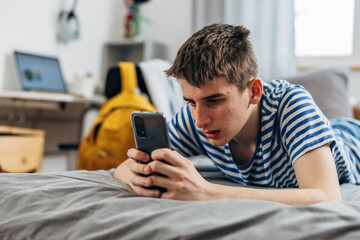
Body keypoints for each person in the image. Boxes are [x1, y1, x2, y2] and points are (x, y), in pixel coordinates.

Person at [114, 23, 360, 204]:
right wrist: (141, 177)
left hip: (351, 138)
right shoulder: (194, 118)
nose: (200, 120)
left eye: (215, 100)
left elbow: (326, 196)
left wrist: (207, 191)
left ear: (254, 91)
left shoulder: (293, 105)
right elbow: (122, 168)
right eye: (191, 102)